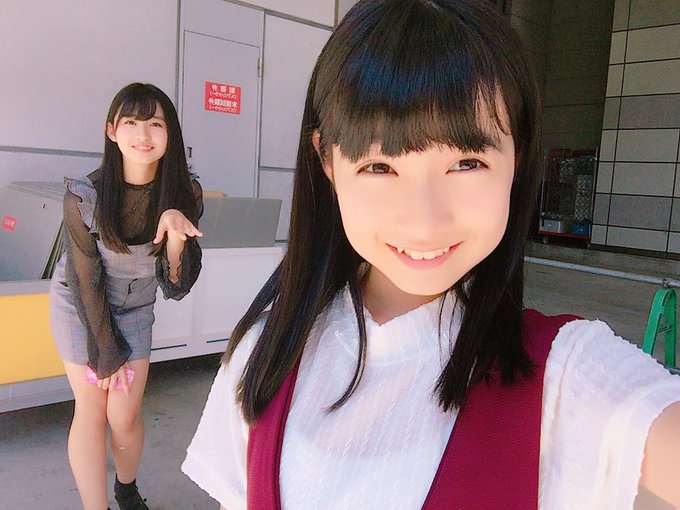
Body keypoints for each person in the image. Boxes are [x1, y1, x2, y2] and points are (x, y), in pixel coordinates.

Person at [181, 1, 680, 509]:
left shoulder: (566, 376)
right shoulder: (265, 351)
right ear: (327, 161)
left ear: (518, 157)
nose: (423, 221)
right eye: (380, 167)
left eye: (466, 163)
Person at [49, 82, 203, 510]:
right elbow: (85, 279)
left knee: (123, 415)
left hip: (136, 305)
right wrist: (107, 351)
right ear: (112, 130)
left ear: (170, 133)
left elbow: (177, 287)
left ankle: (126, 487)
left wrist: (175, 237)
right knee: (91, 411)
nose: (143, 134)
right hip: (80, 305)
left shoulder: (186, 194)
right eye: (131, 122)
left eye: (155, 123)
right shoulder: (84, 196)